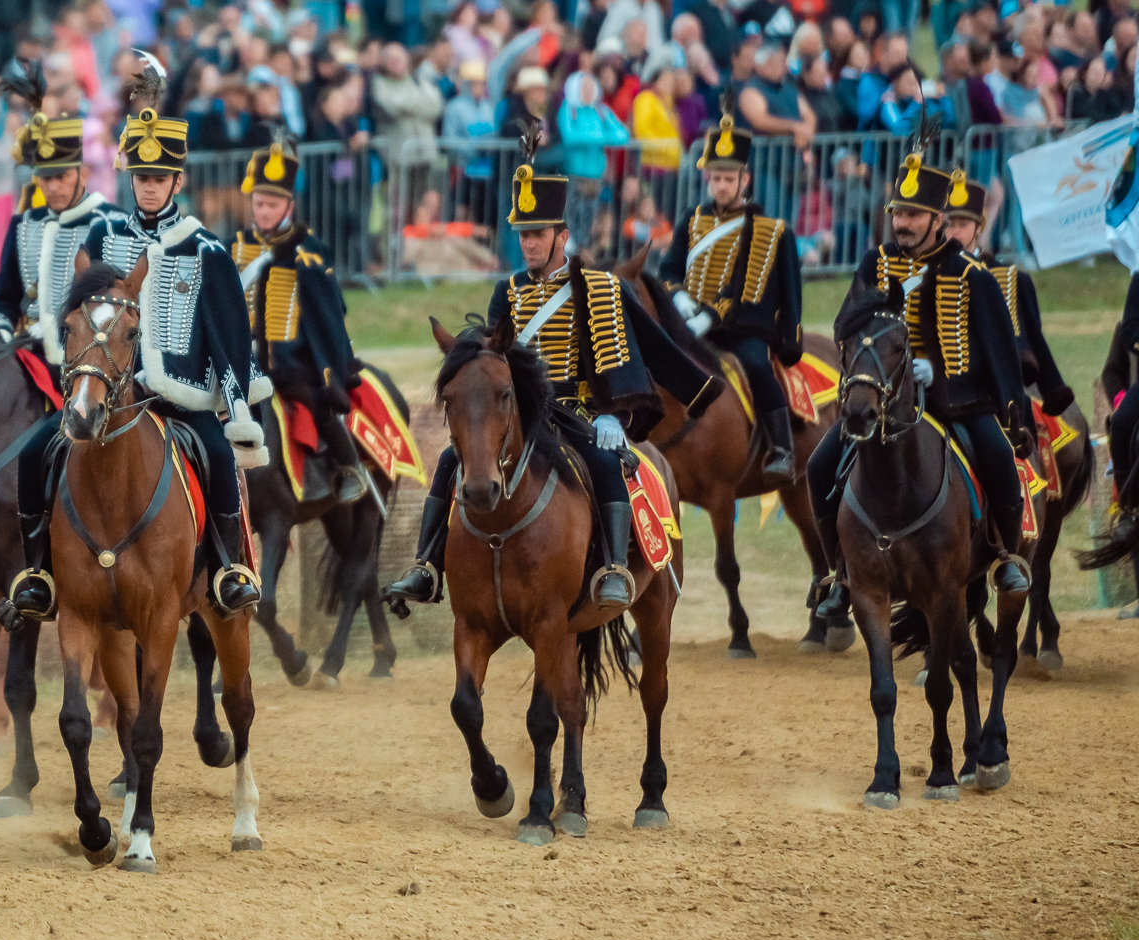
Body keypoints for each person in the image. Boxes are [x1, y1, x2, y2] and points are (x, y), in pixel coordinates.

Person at [385, 153, 721, 617]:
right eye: (523, 235)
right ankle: (426, 566)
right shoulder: (508, 290)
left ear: (562, 236)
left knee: (604, 463)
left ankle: (615, 569)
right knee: (449, 460)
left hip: (578, 411)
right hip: (520, 412)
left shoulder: (597, 288)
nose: (528, 244)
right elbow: (491, 353)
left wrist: (615, 415)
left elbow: (620, 357)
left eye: (538, 235)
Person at [1, 52, 268, 627]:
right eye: (140, 178)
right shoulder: (104, 233)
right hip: (110, 392)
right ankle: (39, 574)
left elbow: (227, 338)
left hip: (181, 398)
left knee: (219, 459)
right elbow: (76, 312)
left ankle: (227, 569)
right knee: (32, 455)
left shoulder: (206, 250)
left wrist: (236, 406)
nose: (147, 187)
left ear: (178, 180)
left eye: (158, 178)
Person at [807, 149, 1035, 620]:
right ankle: (838, 573)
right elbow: (847, 324)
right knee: (819, 465)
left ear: (938, 219)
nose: (902, 223)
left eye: (912, 215)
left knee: (996, 459)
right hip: (884, 399)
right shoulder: (876, 263)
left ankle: (1007, 556)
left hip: (957, 401)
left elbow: (999, 357)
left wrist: (949, 376)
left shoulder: (971, 276)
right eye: (898, 213)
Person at [0, 60, 136, 624]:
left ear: (80, 173)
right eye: (41, 177)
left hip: (83, 370)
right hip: (27, 365)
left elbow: (111, 310)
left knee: (36, 454)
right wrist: (3, 331)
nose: (48, 187)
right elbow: (2, 296)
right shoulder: (24, 224)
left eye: (58, 176)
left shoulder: (108, 224)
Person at [659, 116, 805, 482]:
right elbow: (669, 270)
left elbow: (747, 288)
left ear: (745, 180)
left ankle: (781, 449)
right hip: (688, 323)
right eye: (715, 178)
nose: (721, 186)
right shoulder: (691, 221)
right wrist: (679, 301)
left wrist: (708, 317)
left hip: (743, 328)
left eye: (729, 179)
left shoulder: (767, 231)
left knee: (756, 366)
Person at [230, 138, 365, 504]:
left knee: (313, 399)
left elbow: (327, 315)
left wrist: (328, 367)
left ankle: (350, 465)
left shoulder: (309, 250)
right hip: (243, 360)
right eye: (259, 204)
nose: (264, 212)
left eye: (272, 205)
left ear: (290, 205)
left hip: (291, 362)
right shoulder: (237, 246)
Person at [942, 177, 1075, 427]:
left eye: (962, 224)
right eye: (949, 224)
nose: (954, 232)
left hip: (997, 386)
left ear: (979, 227)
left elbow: (1032, 340)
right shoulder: (931, 275)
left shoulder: (1010, 279)